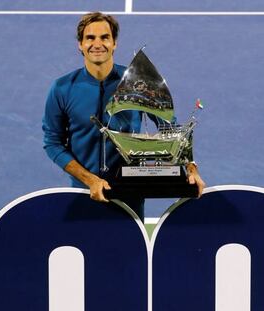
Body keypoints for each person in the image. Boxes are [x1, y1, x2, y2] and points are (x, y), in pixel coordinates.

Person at [42, 12, 205, 218]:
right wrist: (90, 179)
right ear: (80, 45)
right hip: (84, 191)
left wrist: (191, 169)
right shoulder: (62, 88)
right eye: (90, 38)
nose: (97, 44)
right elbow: (53, 142)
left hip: (130, 194)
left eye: (105, 37)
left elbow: (171, 130)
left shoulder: (139, 83)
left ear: (114, 43)